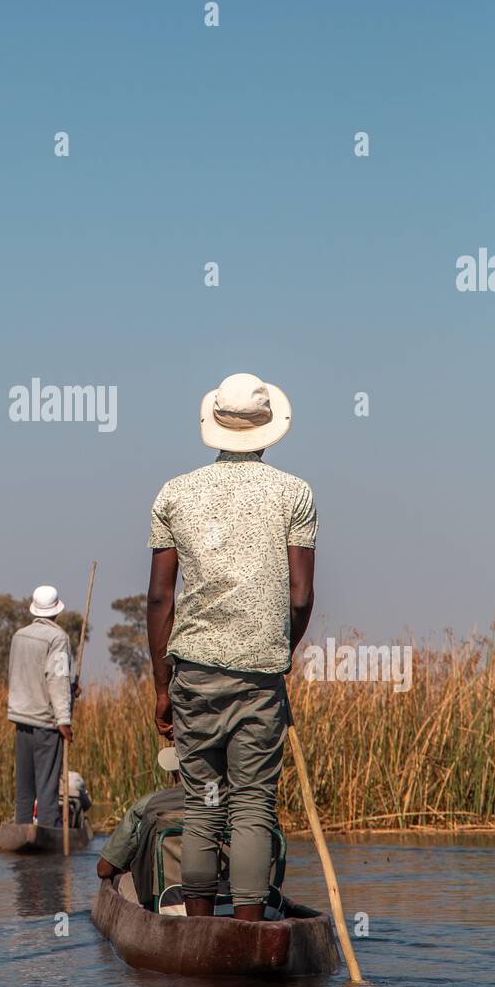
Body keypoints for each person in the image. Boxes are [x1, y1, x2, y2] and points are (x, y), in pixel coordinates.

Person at [146, 372, 316, 921]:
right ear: (267, 431)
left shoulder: (174, 493)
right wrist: (280, 649)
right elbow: (301, 592)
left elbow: (158, 599)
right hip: (261, 674)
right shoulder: (294, 493)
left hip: (192, 671)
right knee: (252, 804)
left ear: (215, 425)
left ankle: (201, 934)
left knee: (204, 804)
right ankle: (248, 930)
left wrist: (160, 684)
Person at [7, 584, 74, 827]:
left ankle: (22, 831)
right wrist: (64, 721)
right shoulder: (58, 638)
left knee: (25, 787)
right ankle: (47, 836)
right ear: (57, 611)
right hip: (46, 721)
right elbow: (57, 679)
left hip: (21, 719)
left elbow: (24, 674)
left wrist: (71, 687)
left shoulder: (19, 635)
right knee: (47, 787)